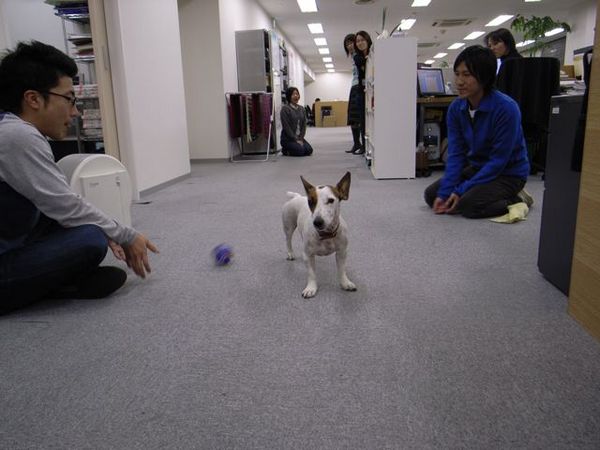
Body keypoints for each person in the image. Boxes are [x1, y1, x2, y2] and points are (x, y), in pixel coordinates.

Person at [0, 41, 158, 314]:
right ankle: (52, 285)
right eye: (69, 99)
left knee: (84, 226)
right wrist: (125, 235)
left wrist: (106, 229)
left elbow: (59, 202)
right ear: (33, 99)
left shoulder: (9, 127)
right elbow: (67, 206)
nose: (75, 112)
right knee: (89, 239)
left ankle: (48, 281)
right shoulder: (17, 136)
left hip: (13, 235)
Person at [424, 45, 532, 219]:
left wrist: (460, 191)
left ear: (485, 77)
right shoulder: (456, 108)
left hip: (508, 174)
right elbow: (456, 155)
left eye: (467, 75)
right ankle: (474, 191)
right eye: (457, 74)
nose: (459, 81)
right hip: (477, 168)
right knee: (432, 195)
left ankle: (517, 198)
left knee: (468, 205)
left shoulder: (506, 108)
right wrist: (445, 192)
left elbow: (498, 161)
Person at [350, 30, 372, 155]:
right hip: (361, 92)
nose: (360, 43)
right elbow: (362, 63)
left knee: (371, 120)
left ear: (367, 40)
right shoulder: (357, 57)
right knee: (363, 120)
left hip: (371, 91)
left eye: (362, 40)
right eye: (357, 41)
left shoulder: (373, 54)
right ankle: (364, 146)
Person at [280, 86, 313, 157]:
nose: (296, 96)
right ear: (289, 96)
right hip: (288, 139)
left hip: (299, 137)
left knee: (309, 150)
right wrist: (295, 139)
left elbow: (304, 125)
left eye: (297, 94)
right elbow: (286, 127)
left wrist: (300, 139)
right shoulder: (285, 109)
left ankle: (295, 147)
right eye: (293, 94)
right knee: (300, 151)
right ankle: (285, 150)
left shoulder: (302, 109)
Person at [343, 33, 362, 154]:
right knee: (352, 117)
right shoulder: (354, 57)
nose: (349, 46)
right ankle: (356, 143)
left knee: (358, 117)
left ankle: (360, 144)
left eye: (351, 43)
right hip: (354, 87)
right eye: (347, 44)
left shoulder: (359, 56)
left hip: (359, 87)